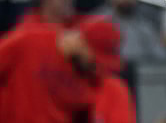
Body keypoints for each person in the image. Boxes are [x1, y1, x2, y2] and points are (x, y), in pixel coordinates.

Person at [0, 15, 128, 123]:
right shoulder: (29, 41)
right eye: (95, 58)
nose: (98, 66)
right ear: (79, 42)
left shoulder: (93, 79)